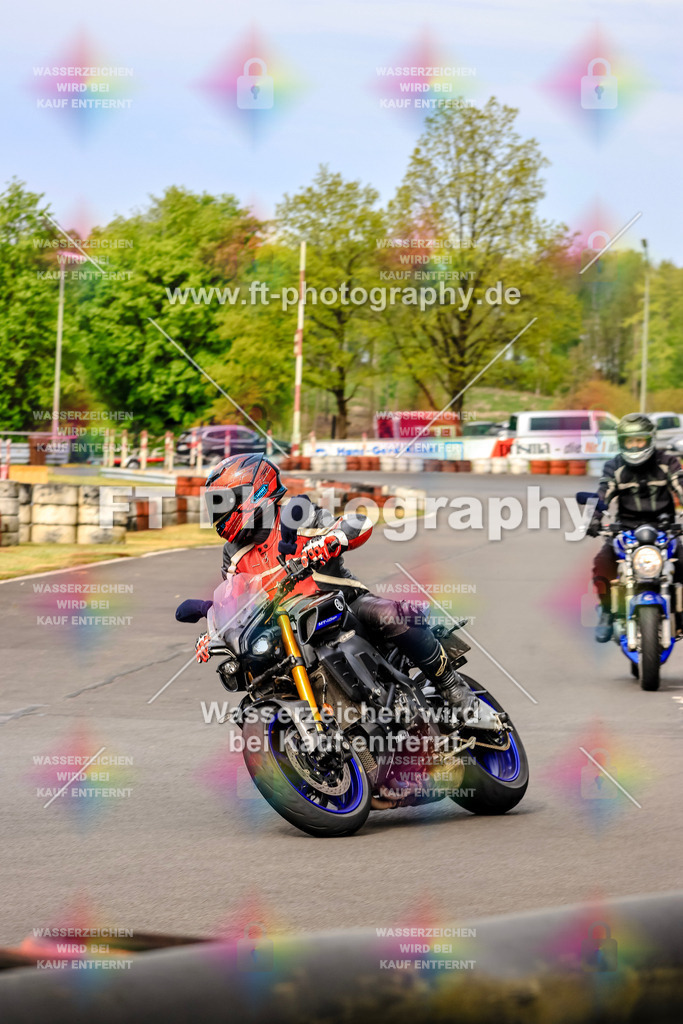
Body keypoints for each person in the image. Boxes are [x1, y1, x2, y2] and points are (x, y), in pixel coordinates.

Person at [196, 452, 474, 718]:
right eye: (215, 504)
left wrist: (333, 539)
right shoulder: (232, 553)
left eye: (224, 502)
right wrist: (216, 632)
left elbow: (357, 523)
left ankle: (451, 685)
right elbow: (234, 599)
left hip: (341, 602)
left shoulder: (296, 514)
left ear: (254, 493)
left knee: (391, 616)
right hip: (286, 628)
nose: (219, 512)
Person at [587, 413, 683, 642]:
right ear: (622, 442)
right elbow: (603, 493)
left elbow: (681, 485)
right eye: (629, 441)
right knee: (602, 564)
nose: (635, 446)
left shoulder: (667, 462)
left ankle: (680, 615)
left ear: (650, 439)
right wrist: (594, 517)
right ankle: (607, 613)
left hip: (664, 528)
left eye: (639, 440)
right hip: (625, 529)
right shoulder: (614, 466)